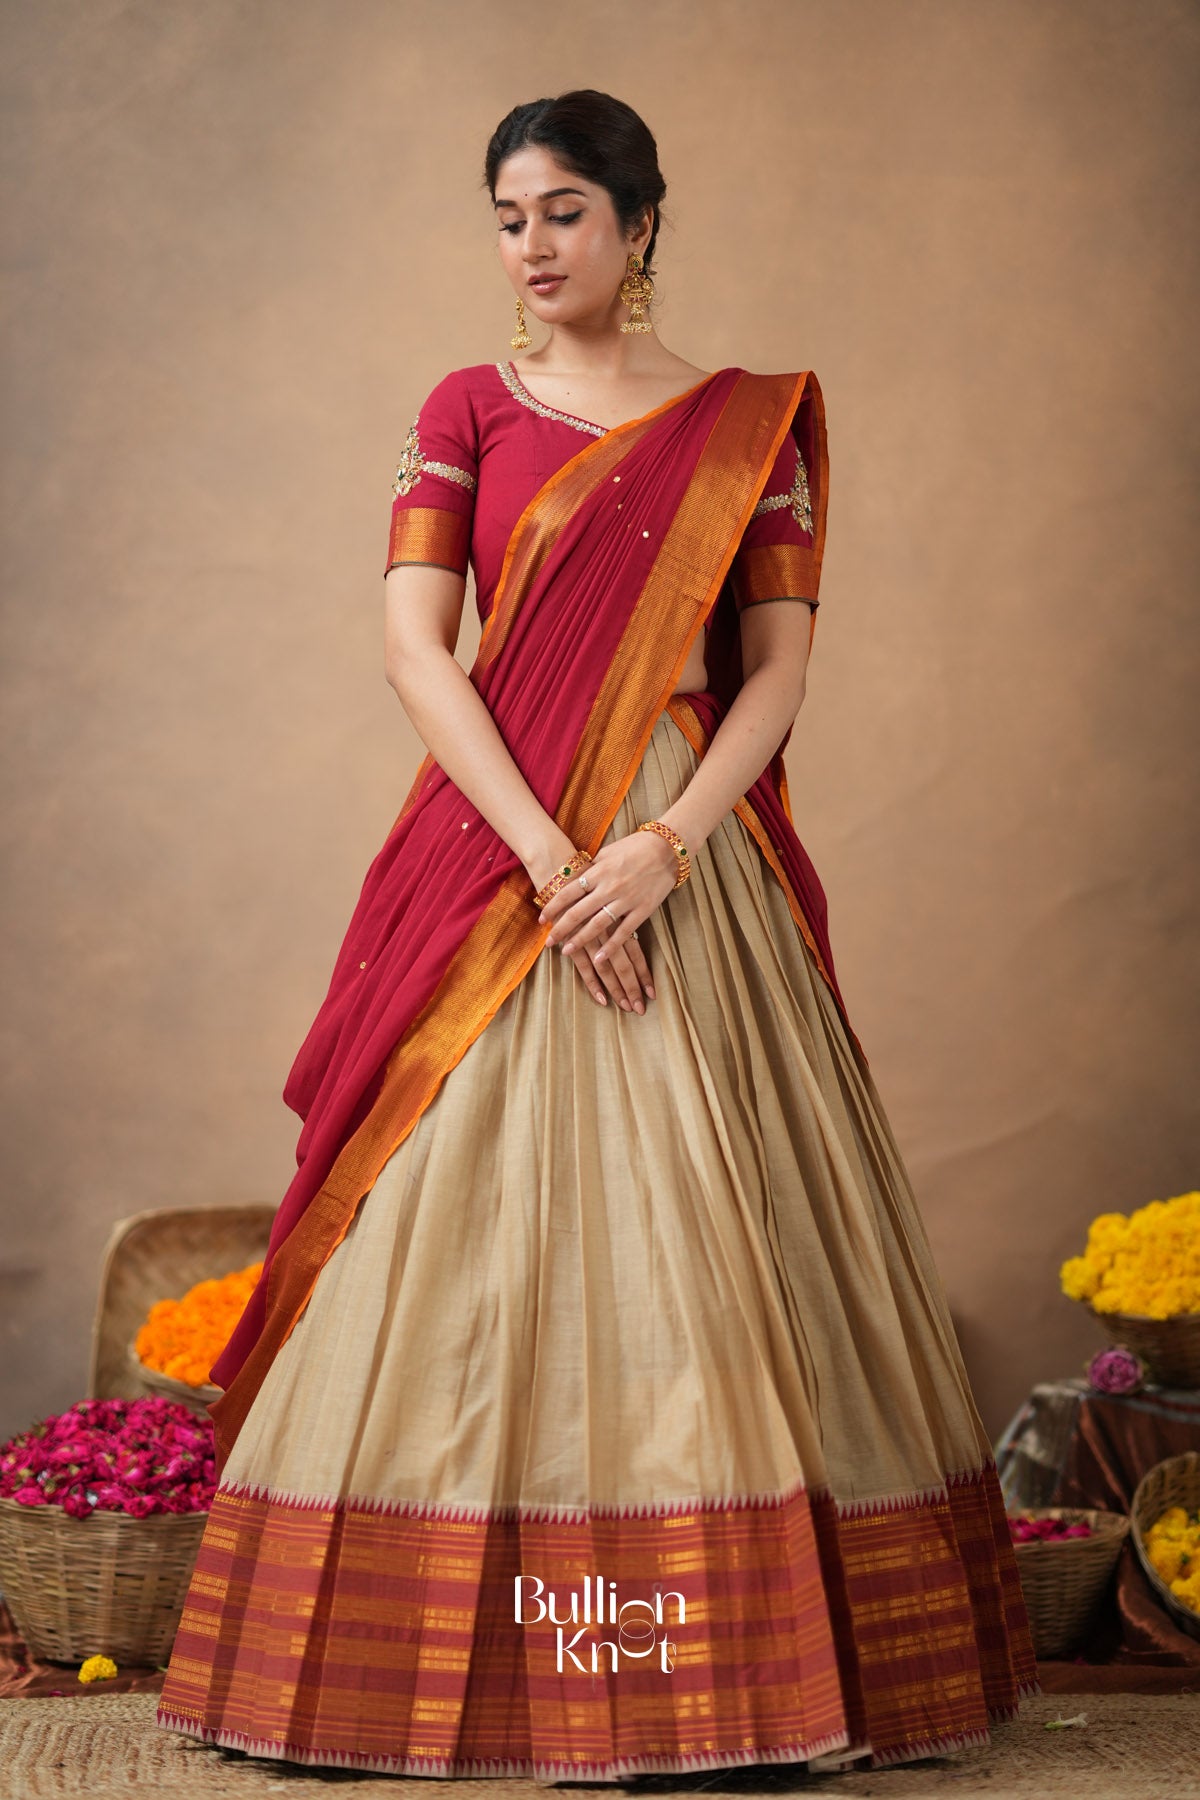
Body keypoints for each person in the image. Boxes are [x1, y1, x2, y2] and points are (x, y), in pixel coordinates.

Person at [156, 89, 1038, 1781]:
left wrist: (659, 852)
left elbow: (773, 670)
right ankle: (446, 1677)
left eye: (566, 211)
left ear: (639, 225)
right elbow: (422, 652)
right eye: (508, 216)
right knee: (448, 1229)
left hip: (686, 849)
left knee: (727, 1231)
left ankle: (724, 1677)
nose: (533, 246)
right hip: (502, 842)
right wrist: (563, 865)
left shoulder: (741, 423)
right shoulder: (466, 407)